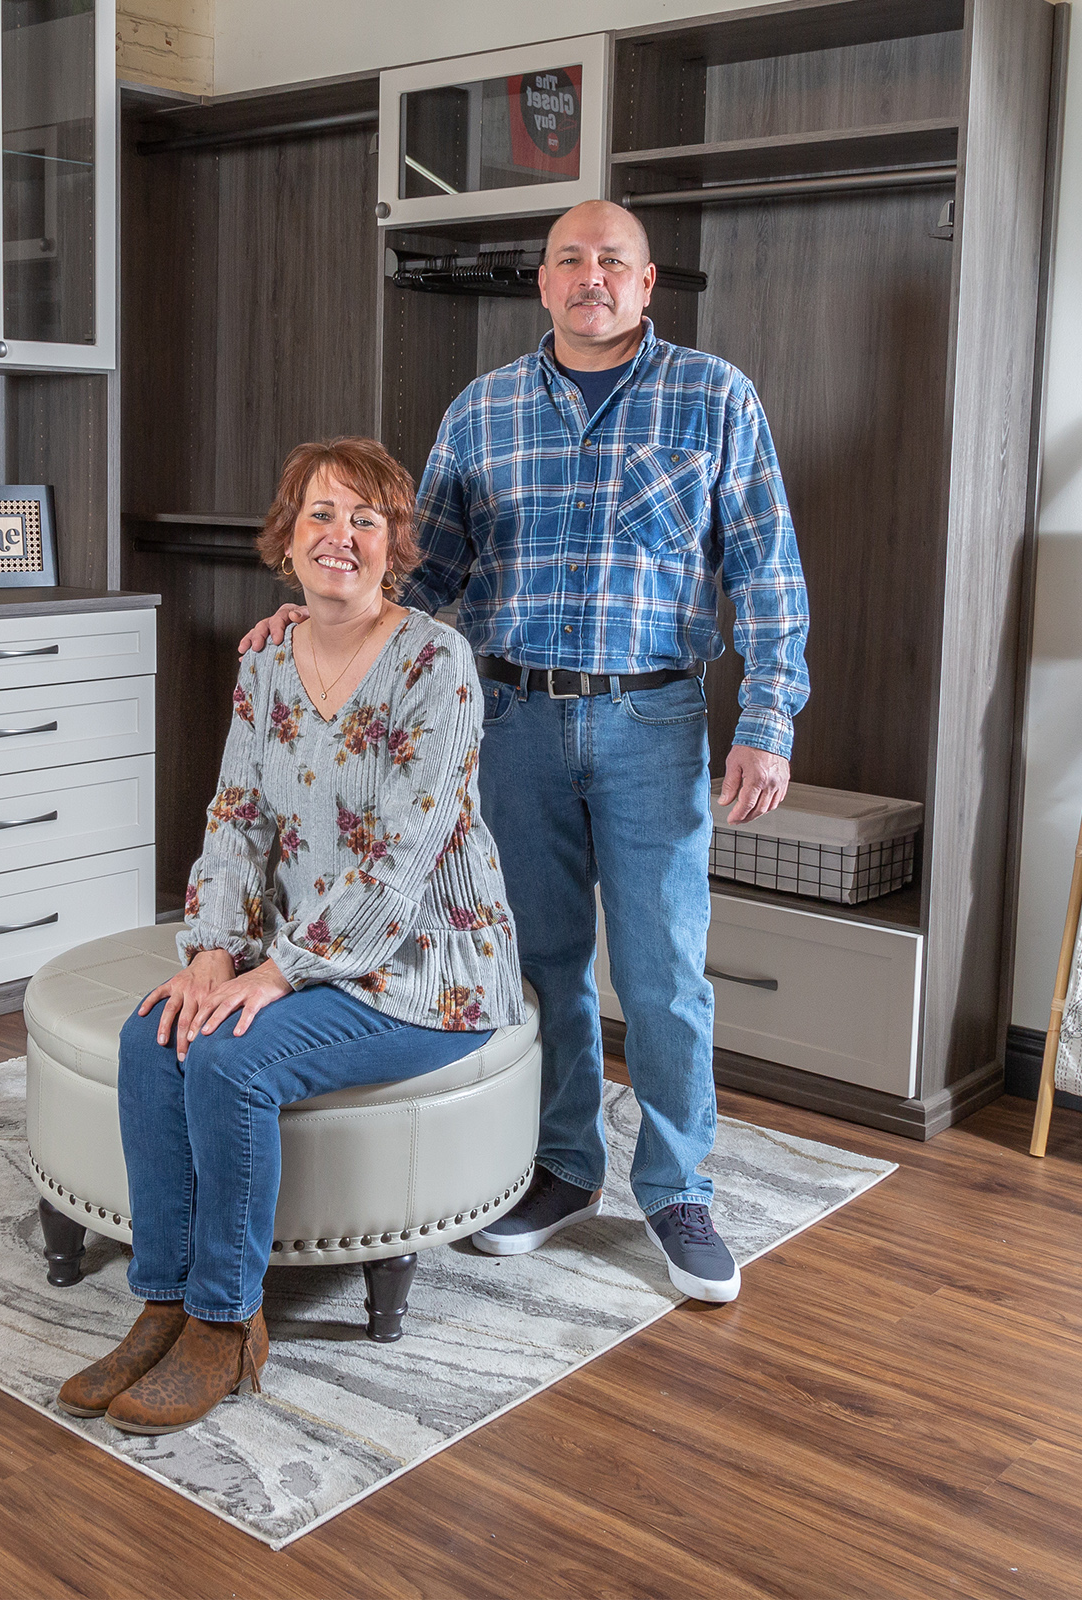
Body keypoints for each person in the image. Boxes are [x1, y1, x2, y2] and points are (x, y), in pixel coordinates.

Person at [240, 201, 809, 1304]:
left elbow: (768, 574)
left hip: (654, 721)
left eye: (613, 261)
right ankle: (563, 1167)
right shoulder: (482, 411)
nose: (590, 277)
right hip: (509, 723)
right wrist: (309, 614)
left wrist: (766, 719)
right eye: (569, 261)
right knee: (535, 965)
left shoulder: (714, 399)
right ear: (541, 284)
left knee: (662, 974)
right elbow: (423, 576)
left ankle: (679, 1189)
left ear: (647, 286)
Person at [58, 437, 524, 1435]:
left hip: (423, 971)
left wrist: (274, 973)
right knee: (157, 1034)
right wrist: (214, 953)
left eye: (365, 519)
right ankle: (167, 1300)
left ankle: (228, 1324)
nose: (340, 537)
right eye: (320, 514)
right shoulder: (268, 658)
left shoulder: (436, 662)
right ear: (287, 534)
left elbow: (402, 854)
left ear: (396, 542)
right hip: (293, 957)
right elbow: (235, 818)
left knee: (229, 1061)